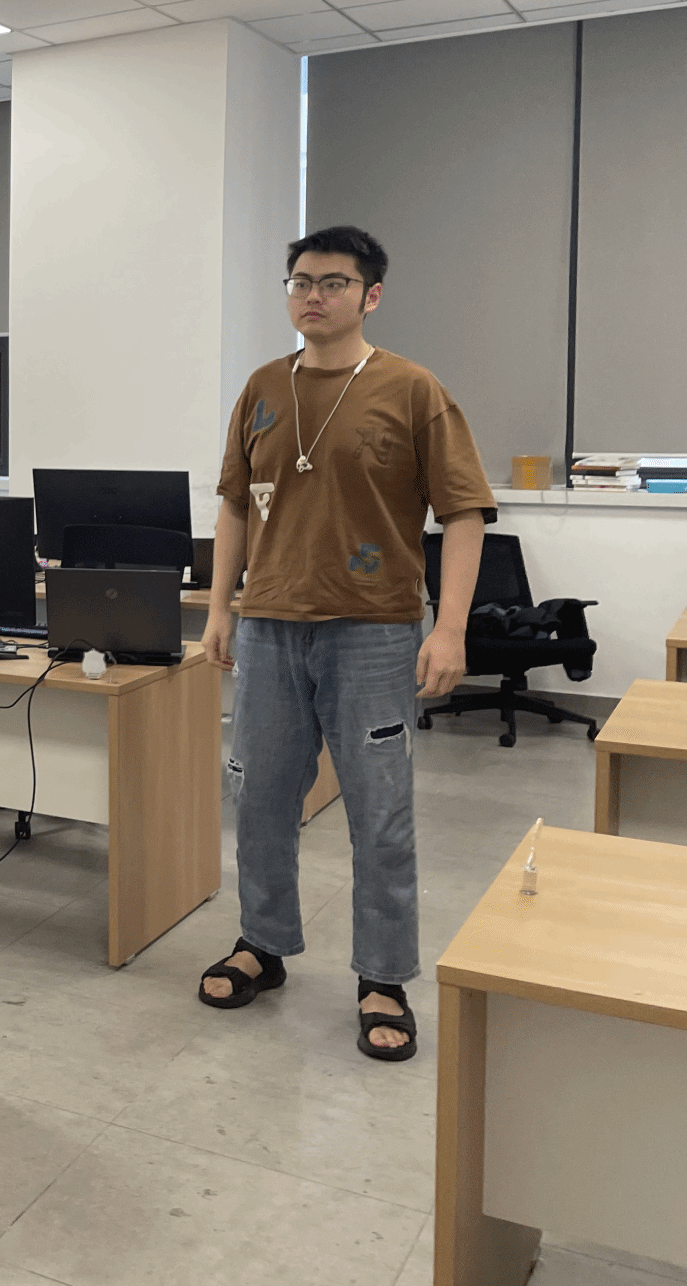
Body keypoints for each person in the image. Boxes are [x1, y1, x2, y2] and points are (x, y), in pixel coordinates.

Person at [198, 224, 491, 1063]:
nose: (313, 296)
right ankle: (263, 944)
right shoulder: (263, 387)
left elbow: (463, 513)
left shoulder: (413, 390)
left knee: (379, 811)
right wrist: (220, 608)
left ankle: (383, 976)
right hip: (270, 626)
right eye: (300, 281)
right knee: (259, 798)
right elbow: (234, 505)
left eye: (332, 282)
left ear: (371, 295)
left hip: (373, 631)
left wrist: (450, 627)